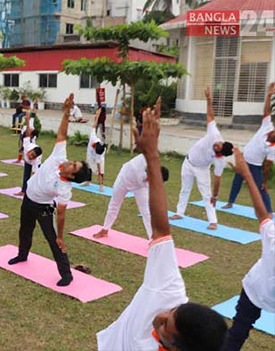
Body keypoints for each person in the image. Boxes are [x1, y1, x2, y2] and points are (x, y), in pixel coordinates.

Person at [97, 101, 228, 351]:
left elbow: (153, 218)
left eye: (167, 325)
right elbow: (162, 231)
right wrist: (152, 154)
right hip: (130, 180)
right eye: (173, 312)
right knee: (141, 216)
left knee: (148, 212)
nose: (161, 317)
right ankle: (108, 227)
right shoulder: (169, 293)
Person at [7, 94, 92, 287]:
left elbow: (60, 214)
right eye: (74, 161)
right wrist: (66, 111)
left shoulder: (64, 188)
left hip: (43, 208)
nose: (70, 162)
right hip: (28, 200)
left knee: (54, 241)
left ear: (72, 176)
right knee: (25, 230)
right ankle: (22, 254)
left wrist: (61, 234)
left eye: (74, 166)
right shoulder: (59, 157)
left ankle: (66, 274)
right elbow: (62, 134)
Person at [93, 101, 170, 240]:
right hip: (124, 179)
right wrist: (156, 115)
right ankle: (105, 229)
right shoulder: (148, 157)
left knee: (146, 211)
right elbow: (154, 136)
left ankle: (153, 238)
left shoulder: (152, 182)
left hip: (139, 187)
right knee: (114, 205)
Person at [222, 148, 275, 351]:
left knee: (238, 332)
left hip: (254, 288)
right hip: (256, 288)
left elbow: (262, 214)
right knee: (237, 332)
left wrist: (246, 174)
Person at [170, 87, 233, 230]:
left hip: (202, 169)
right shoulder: (215, 135)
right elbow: (210, 116)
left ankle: (213, 221)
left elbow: (217, 178)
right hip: (188, 162)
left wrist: (215, 196)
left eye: (218, 149)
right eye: (218, 145)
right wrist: (209, 99)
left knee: (207, 195)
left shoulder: (220, 160)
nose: (216, 145)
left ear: (221, 153)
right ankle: (179, 212)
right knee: (184, 189)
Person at [223, 82, 274, 213]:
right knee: (237, 181)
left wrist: (265, 180)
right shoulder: (267, 126)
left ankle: (268, 211)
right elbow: (266, 112)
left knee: (261, 188)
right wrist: (268, 96)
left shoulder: (272, 148)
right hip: (244, 159)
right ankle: (230, 202)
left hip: (255, 166)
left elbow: (267, 166)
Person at [14, 109, 43, 196]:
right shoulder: (27, 146)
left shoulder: (36, 160)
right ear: (30, 151)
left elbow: (34, 174)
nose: (31, 156)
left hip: (35, 163)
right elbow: (27, 134)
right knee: (26, 175)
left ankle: (36, 192)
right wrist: (27, 122)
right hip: (27, 161)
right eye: (31, 154)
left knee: (36, 177)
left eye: (33, 156)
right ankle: (23, 191)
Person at [83, 109, 106, 192]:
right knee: (88, 166)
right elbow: (94, 125)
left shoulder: (100, 152)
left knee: (101, 170)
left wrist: (101, 186)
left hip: (98, 157)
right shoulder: (93, 137)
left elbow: (99, 169)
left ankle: (101, 184)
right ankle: (87, 181)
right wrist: (97, 115)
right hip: (90, 153)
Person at [14, 99, 35, 164]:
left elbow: (31, 111)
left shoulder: (30, 112)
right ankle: (19, 159)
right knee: (22, 145)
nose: (22, 107)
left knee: (28, 145)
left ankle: (30, 159)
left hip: (29, 130)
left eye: (23, 105)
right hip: (26, 129)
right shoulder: (28, 111)